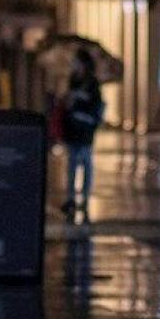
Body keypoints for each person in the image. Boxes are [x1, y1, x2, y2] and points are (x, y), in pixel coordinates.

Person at [60, 49, 104, 220]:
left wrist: (81, 96)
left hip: (85, 126)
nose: (73, 65)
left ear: (83, 64)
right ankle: (71, 198)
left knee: (85, 162)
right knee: (72, 164)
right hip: (73, 125)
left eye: (76, 61)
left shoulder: (92, 83)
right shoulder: (74, 80)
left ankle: (84, 198)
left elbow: (96, 104)